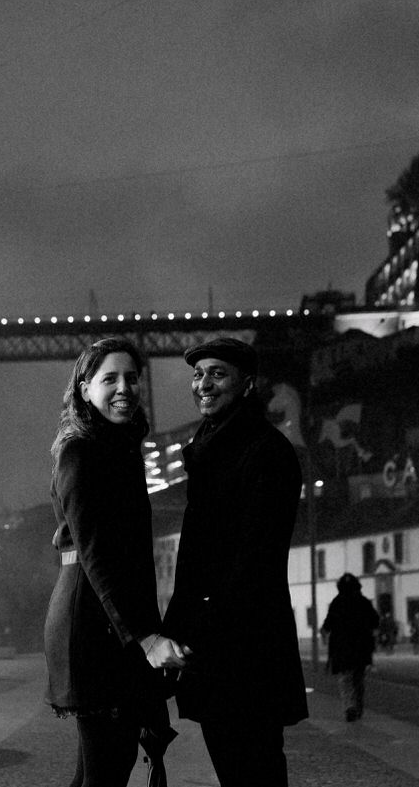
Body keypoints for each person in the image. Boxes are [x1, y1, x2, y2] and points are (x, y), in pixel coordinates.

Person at [162, 337, 307, 787]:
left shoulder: (266, 453)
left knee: (254, 771)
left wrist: (196, 632)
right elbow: (197, 560)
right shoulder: (212, 450)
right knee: (236, 770)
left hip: (247, 650)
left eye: (217, 374)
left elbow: (254, 564)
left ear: (248, 384)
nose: (203, 384)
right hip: (219, 647)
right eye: (198, 374)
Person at [44, 338, 188, 787]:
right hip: (92, 626)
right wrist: (145, 639)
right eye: (110, 379)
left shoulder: (117, 449)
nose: (124, 387)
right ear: (85, 390)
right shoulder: (80, 452)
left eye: (131, 378)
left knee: (100, 769)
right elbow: (97, 555)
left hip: (106, 624)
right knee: (108, 766)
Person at [320, 573, 379, 722]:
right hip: (361, 648)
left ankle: (349, 707)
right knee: (358, 679)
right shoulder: (364, 602)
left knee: (345, 679)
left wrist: (324, 632)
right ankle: (358, 706)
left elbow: (328, 623)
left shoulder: (337, 602)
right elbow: (375, 621)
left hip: (341, 648)